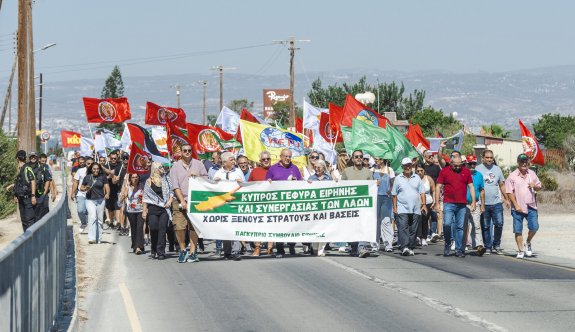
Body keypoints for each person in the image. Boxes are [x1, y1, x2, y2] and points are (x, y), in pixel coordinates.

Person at [170, 143, 208, 263]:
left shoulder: (198, 164)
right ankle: (182, 250)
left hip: (195, 199)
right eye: (184, 150)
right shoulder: (175, 166)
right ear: (180, 152)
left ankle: (192, 251)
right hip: (180, 199)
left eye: (189, 150)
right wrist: (182, 201)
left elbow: (206, 179)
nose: (187, 152)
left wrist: (197, 176)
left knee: (194, 226)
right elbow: (175, 186)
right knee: (179, 226)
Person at [435, 155, 476, 257]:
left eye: (460, 165)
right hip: (448, 203)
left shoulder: (466, 172)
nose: (458, 167)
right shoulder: (444, 171)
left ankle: (458, 249)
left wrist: (474, 201)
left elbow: (471, 187)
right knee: (447, 224)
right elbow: (438, 186)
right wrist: (436, 203)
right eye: (455, 166)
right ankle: (448, 243)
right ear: (451, 163)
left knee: (460, 227)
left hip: (462, 204)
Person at [266, 148, 302, 258]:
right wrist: (269, 182)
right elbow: (265, 184)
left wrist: (299, 182)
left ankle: (291, 245)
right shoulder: (273, 169)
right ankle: (280, 250)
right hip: (278, 204)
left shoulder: (294, 168)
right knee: (279, 227)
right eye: (286, 156)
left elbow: (301, 184)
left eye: (290, 156)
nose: (288, 158)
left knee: (292, 225)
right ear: (280, 156)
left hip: (291, 204)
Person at [506, 154, 542, 259]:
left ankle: (528, 242)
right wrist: (516, 205)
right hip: (518, 206)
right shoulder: (512, 176)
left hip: (531, 205)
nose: (524, 164)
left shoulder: (532, 174)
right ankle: (520, 250)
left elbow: (539, 186)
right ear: (518, 163)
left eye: (525, 161)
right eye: (521, 162)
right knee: (518, 229)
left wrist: (534, 186)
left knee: (534, 227)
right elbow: (509, 192)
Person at [475, 149, 509, 254]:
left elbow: (502, 184)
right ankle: (488, 246)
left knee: (499, 223)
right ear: (483, 158)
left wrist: (506, 198)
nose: (489, 159)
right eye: (487, 157)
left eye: (491, 157)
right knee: (485, 226)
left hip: (496, 202)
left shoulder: (497, 169)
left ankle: (497, 244)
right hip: (483, 203)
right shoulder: (477, 169)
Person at [341, 149, 374, 258]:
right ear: (353, 159)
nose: (359, 158)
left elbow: (372, 188)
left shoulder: (368, 172)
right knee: (352, 228)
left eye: (361, 156)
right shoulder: (347, 171)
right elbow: (341, 187)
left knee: (363, 226)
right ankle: (354, 247)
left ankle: (362, 247)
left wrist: (375, 184)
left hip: (363, 206)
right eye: (356, 157)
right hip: (350, 205)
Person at [392, 158, 427, 256]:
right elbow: (394, 194)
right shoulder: (398, 178)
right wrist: (395, 207)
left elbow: (422, 192)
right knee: (403, 227)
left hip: (416, 208)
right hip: (402, 207)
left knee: (413, 229)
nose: (408, 167)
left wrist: (424, 204)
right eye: (405, 166)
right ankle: (405, 247)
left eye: (409, 165)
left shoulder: (417, 178)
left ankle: (411, 247)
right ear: (402, 167)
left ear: (412, 166)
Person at [213, 152, 244, 260]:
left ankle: (236, 251)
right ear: (224, 162)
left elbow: (244, 187)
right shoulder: (218, 173)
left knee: (235, 226)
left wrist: (241, 183)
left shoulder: (238, 172)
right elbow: (212, 188)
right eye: (231, 159)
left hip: (235, 203)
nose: (233, 161)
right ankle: (226, 251)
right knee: (225, 227)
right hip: (223, 204)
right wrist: (215, 182)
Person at [143, 162, 174, 260]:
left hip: (164, 208)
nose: (162, 168)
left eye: (162, 167)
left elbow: (172, 192)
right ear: (155, 168)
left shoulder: (166, 179)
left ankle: (161, 251)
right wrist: (144, 210)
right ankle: (153, 248)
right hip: (153, 208)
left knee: (162, 228)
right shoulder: (148, 181)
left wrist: (170, 201)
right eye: (160, 167)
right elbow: (145, 197)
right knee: (153, 227)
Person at [248, 151, 274, 256]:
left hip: (272, 203)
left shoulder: (275, 170)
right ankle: (257, 247)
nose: (266, 161)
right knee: (258, 225)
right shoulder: (255, 171)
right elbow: (249, 186)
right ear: (260, 161)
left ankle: (270, 247)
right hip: (258, 203)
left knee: (271, 225)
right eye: (264, 159)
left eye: (268, 159)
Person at [307, 159, 332, 256]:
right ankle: (315, 246)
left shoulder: (328, 178)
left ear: (323, 168)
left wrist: (336, 182)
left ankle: (321, 249)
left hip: (325, 207)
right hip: (314, 207)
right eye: (315, 167)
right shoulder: (311, 178)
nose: (317, 169)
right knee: (315, 227)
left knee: (324, 228)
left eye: (319, 167)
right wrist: (307, 184)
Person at [81, 162, 110, 244]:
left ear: (99, 169)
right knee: (92, 217)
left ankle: (99, 238)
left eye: (97, 169)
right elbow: (81, 187)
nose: (96, 170)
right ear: (91, 169)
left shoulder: (103, 177)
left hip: (101, 200)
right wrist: (85, 188)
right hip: (90, 200)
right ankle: (91, 238)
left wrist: (107, 194)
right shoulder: (87, 177)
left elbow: (107, 186)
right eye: (94, 169)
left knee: (100, 219)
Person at [463, 155, 486, 256]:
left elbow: (482, 190)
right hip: (463, 204)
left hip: (475, 203)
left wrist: (482, 205)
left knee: (476, 225)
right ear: (466, 164)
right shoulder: (462, 174)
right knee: (463, 226)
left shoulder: (479, 175)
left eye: (474, 163)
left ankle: (479, 245)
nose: (472, 165)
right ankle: (461, 245)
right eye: (470, 163)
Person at [372, 157, 395, 252]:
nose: (375, 160)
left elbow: (393, 183)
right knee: (375, 222)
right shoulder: (372, 170)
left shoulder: (389, 170)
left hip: (386, 198)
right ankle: (374, 244)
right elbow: (368, 183)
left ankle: (388, 244)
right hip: (375, 198)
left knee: (386, 221)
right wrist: (374, 183)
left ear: (382, 160)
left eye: (377, 159)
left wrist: (390, 190)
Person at [13, 150, 37, 231]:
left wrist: (33, 196)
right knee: (24, 220)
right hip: (21, 199)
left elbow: (33, 181)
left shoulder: (27, 168)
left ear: (17, 159)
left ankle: (32, 240)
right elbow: (18, 184)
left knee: (29, 220)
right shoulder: (20, 169)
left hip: (28, 198)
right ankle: (27, 239)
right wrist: (15, 195)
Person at [123, 173, 145, 254]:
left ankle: (138, 247)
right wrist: (125, 192)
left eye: (136, 177)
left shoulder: (142, 186)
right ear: (130, 178)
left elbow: (144, 197)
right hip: (131, 210)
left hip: (140, 209)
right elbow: (122, 198)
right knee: (134, 228)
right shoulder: (127, 186)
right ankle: (135, 245)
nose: (135, 179)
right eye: (133, 177)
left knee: (139, 227)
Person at [415, 163, 436, 246]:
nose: (420, 172)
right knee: (418, 219)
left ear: (424, 171)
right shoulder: (414, 179)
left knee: (425, 219)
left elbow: (433, 190)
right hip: (417, 202)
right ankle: (418, 236)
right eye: (418, 171)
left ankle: (423, 237)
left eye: (421, 171)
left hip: (428, 202)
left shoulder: (429, 179)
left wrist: (434, 201)